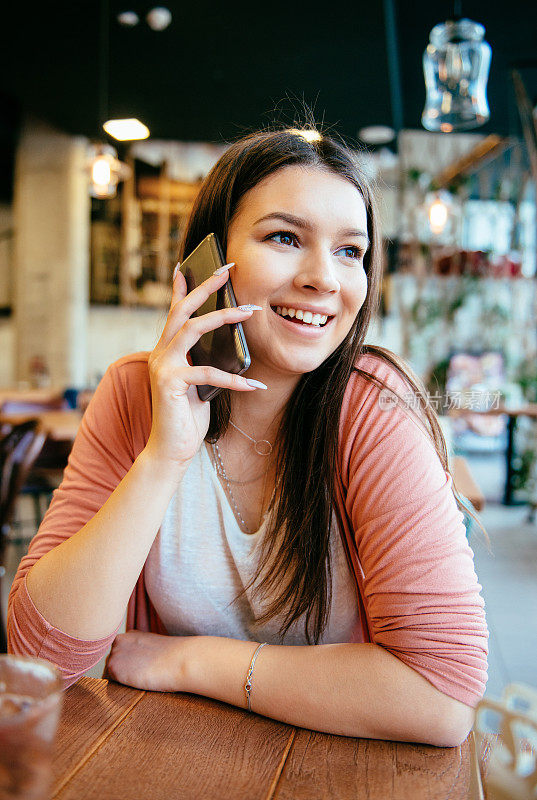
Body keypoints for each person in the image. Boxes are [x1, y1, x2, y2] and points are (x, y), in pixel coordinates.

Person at [8, 127, 488, 746]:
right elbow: (40, 656)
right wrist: (163, 457)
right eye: (285, 238)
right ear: (208, 261)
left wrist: (189, 662)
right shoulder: (133, 394)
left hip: (342, 768)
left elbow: (442, 694)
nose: (325, 279)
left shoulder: (371, 410)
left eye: (350, 251)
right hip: (171, 759)